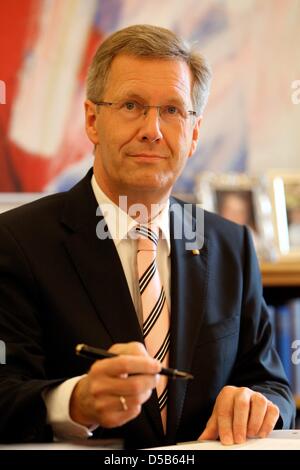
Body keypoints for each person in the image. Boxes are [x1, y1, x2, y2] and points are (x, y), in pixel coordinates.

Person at [0, 25, 295, 449]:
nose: (153, 130)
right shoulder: (16, 242)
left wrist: (259, 402)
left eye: (173, 110)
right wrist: (76, 403)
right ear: (92, 120)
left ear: (194, 134)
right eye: (132, 105)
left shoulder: (232, 245)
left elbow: (272, 383)